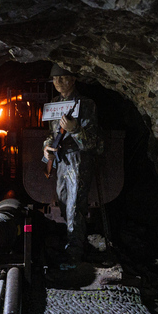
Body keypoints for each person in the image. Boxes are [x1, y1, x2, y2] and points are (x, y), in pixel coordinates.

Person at [42, 63, 102, 268]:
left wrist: (75, 129)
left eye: (63, 78)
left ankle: (75, 253)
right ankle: (71, 245)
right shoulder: (53, 104)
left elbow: (92, 143)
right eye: (55, 79)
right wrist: (46, 148)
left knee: (75, 206)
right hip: (60, 160)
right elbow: (50, 135)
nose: (58, 82)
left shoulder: (86, 104)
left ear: (73, 79)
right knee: (64, 202)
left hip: (78, 159)